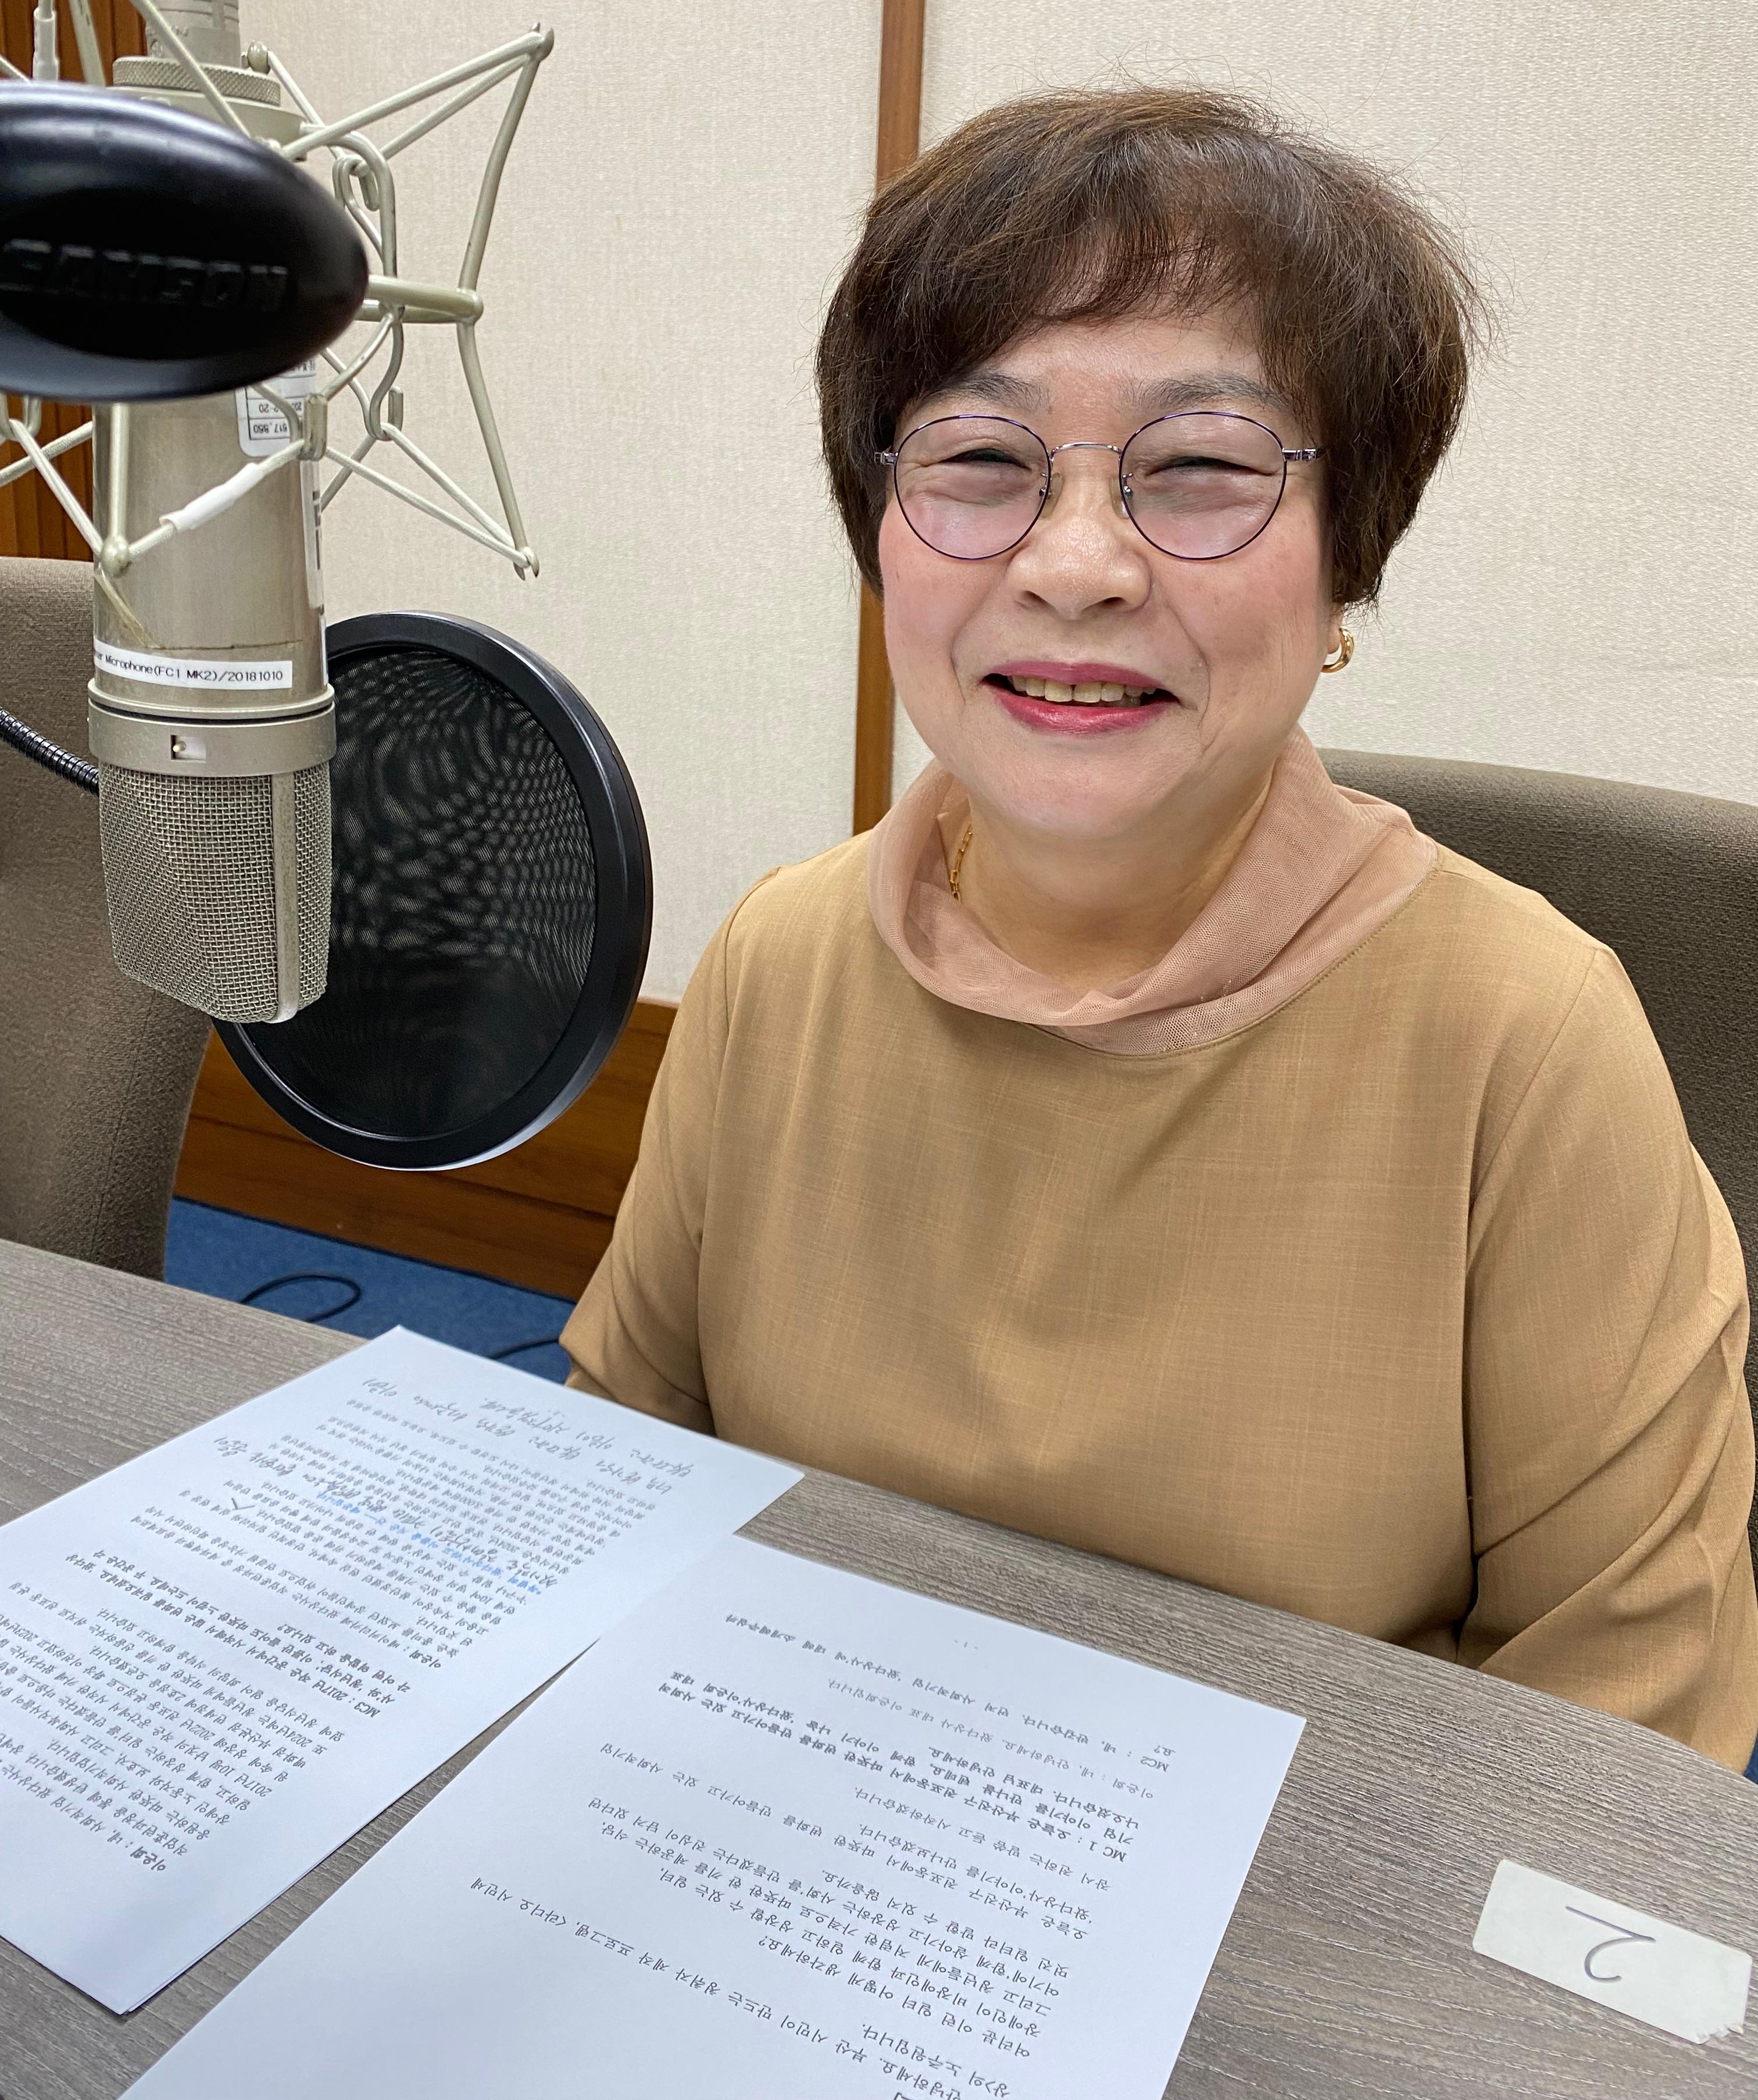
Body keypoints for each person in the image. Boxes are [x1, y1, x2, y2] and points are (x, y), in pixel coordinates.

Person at [562, 86, 1758, 1772]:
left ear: (1346, 570)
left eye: (1199, 468)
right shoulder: (785, 954)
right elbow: (620, 1471)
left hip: (1318, 1895)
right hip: (789, 1817)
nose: (1076, 565)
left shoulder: (1528, 1042)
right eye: (982, 461)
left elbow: (1626, 1742)